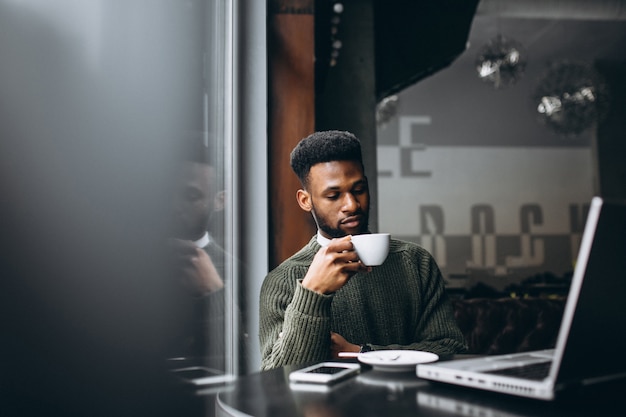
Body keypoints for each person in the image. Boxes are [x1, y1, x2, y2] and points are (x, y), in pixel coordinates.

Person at [259, 130, 467, 370]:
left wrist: (362, 353)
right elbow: (276, 377)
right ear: (306, 200)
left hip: (406, 405)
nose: (352, 205)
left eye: (358, 190)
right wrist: (312, 292)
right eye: (334, 195)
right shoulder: (281, 281)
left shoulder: (415, 262)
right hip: (325, 408)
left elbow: (452, 350)